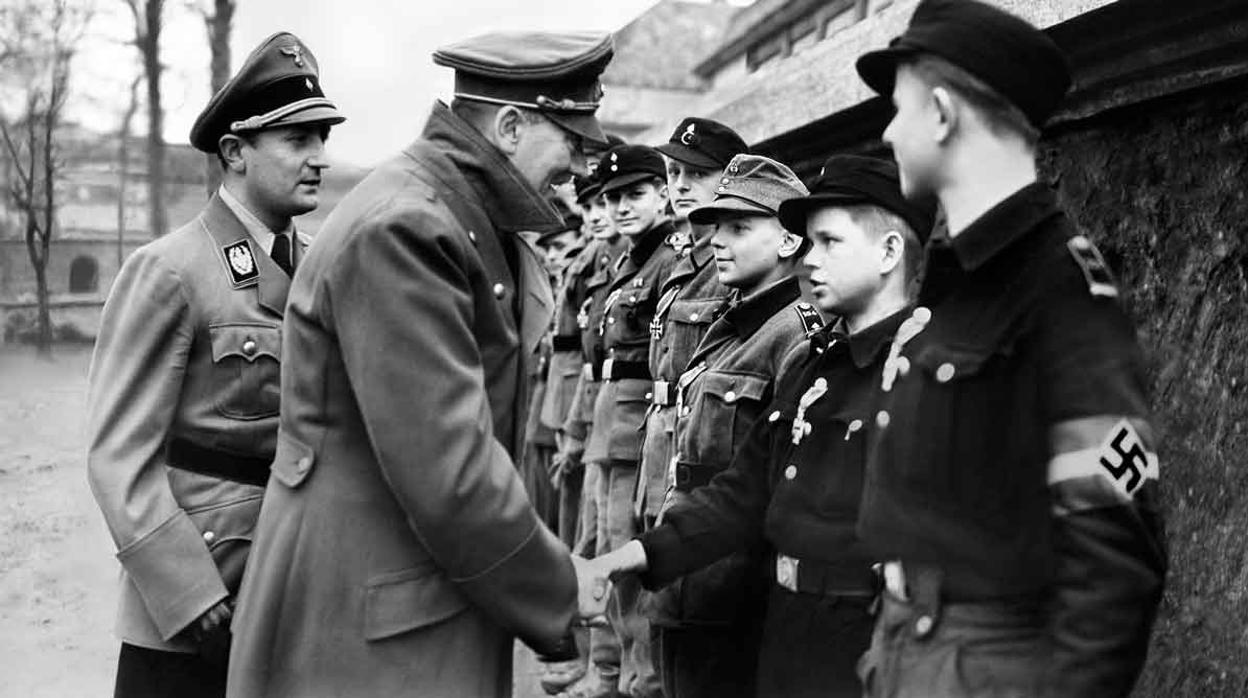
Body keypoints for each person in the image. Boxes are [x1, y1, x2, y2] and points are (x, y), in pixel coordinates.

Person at [225, 31, 615, 698]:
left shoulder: (454, 211)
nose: (582, 167)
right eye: (573, 141)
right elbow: (449, 469)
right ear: (511, 127)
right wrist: (556, 587)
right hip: (368, 610)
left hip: (404, 591)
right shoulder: (406, 227)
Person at [852, 0, 1167, 694]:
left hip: (988, 666)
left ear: (942, 114)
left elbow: (1117, 559)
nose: (889, 132)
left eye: (898, 110)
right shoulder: (958, 276)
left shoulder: (1061, 289)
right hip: (908, 646)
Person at [587, 155, 933, 697]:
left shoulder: (927, 373)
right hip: (787, 633)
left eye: (829, 242)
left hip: (868, 646)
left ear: (889, 252)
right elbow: (742, 493)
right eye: (810, 242)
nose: (809, 258)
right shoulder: (818, 364)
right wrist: (627, 559)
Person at [85, 33, 344, 698]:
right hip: (198, 605)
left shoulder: (324, 265)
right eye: (297, 139)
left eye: (321, 138)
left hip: (293, 587)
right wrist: (189, 590)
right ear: (234, 152)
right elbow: (118, 456)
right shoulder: (170, 270)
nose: (319, 157)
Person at [588, 143, 683, 698]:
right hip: (611, 423)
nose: (621, 207)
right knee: (608, 552)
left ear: (662, 195)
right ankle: (619, 674)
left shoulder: (670, 259)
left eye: (635, 194)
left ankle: (643, 683)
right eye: (612, 198)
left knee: (631, 562)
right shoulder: (627, 261)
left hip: (639, 429)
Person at [636, 118, 747, 527]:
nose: (680, 185)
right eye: (674, 172)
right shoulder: (683, 260)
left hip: (694, 441)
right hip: (659, 433)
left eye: (698, 174)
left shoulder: (733, 264)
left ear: (731, 180)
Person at [557, 168, 631, 698]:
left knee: (618, 550)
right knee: (592, 540)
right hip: (603, 413)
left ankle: (616, 674)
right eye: (599, 204)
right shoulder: (618, 264)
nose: (607, 213)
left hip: (634, 420)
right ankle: (600, 666)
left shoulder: (658, 261)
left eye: (625, 198)